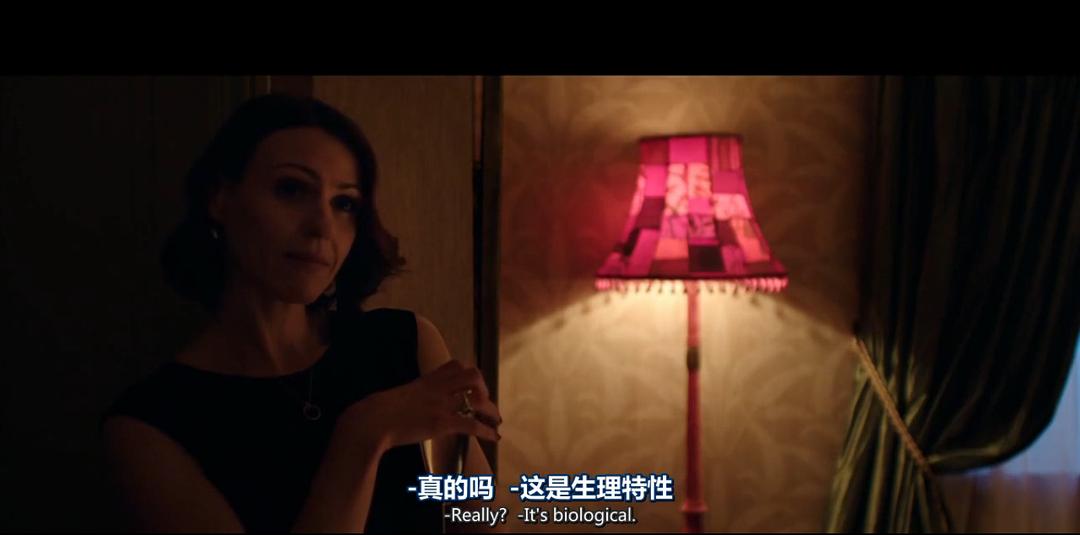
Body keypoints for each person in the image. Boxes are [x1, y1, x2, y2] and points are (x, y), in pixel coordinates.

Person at [99, 93, 501, 533]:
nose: (322, 226)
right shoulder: (149, 425)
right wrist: (363, 435)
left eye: (344, 203)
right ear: (220, 198)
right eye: (291, 189)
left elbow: (482, 522)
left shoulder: (404, 343)